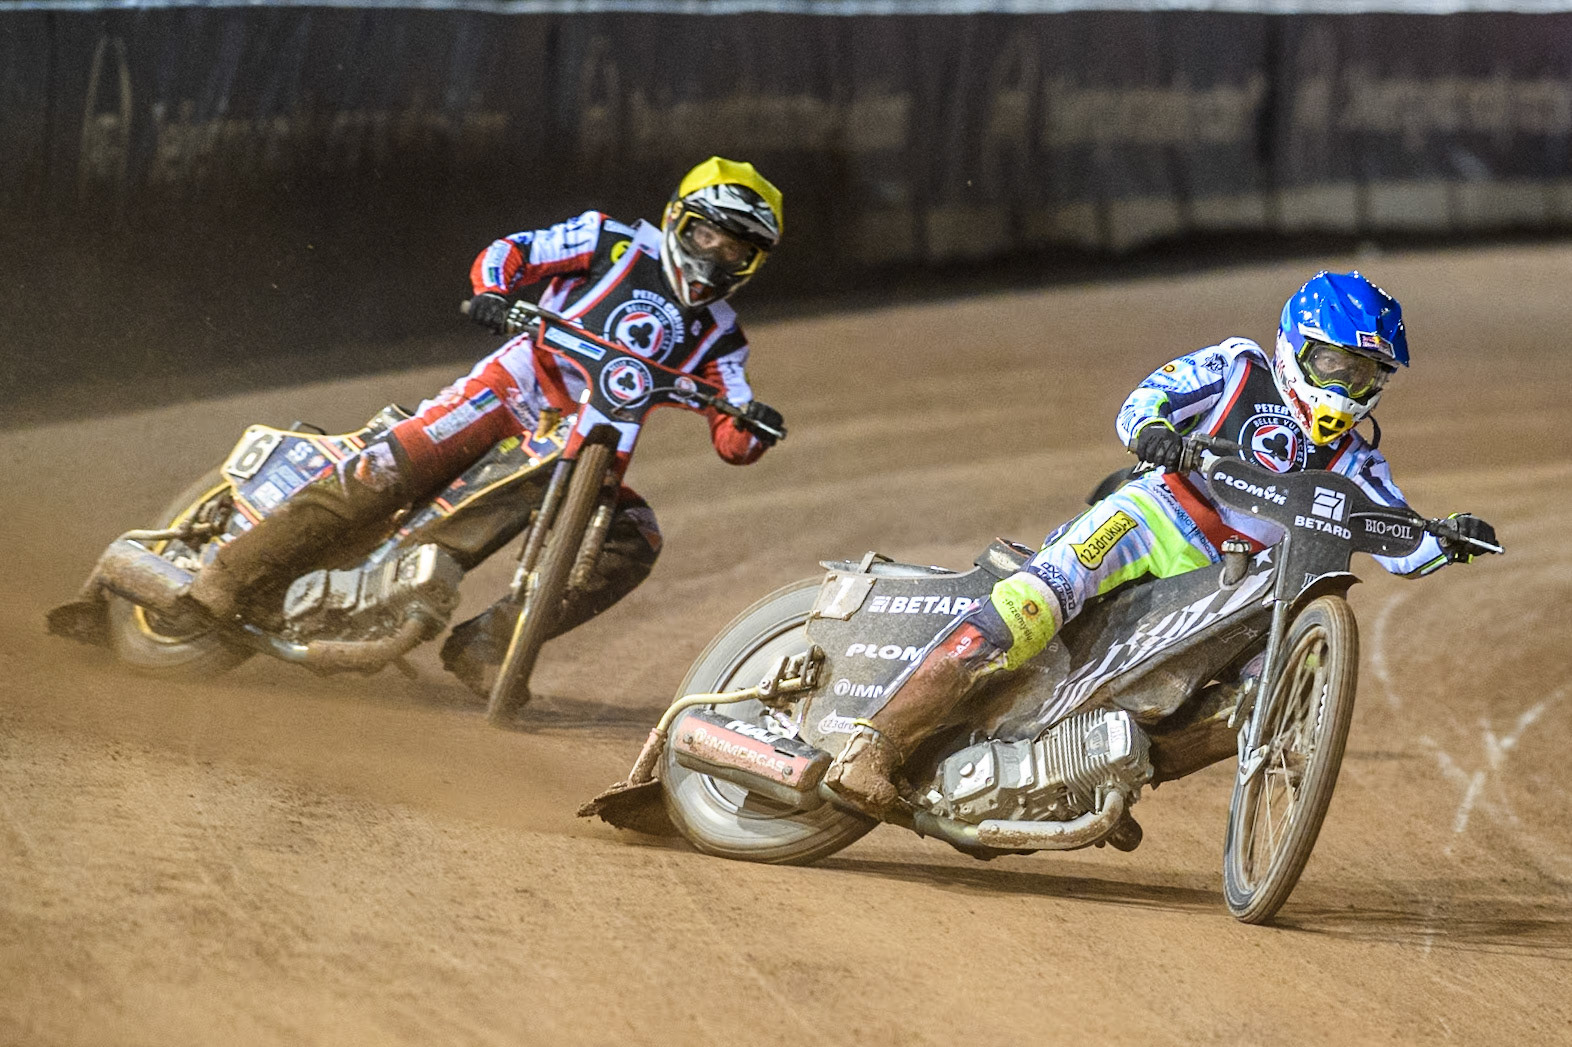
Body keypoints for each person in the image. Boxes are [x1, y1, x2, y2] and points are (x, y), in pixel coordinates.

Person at [824, 270, 1500, 817]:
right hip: (1156, 515)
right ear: (1297, 343)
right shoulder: (1240, 368)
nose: (1346, 389)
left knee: (1255, 699)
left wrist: (1449, 536)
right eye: (1334, 364)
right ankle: (870, 744)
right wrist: (1155, 430)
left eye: (1364, 376)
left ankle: (1099, 780)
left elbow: (1402, 544)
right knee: (1034, 602)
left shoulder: (1358, 462)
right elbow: (1146, 400)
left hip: (1238, 584)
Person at [187, 156, 787, 695]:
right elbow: (513, 250)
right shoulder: (612, 241)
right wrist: (493, 293)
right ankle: (228, 572)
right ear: (678, 221)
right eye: (707, 234)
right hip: (512, 389)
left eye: (735, 249)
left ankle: (487, 644)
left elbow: (734, 427)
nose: (715, 255)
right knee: (394, 466)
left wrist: (755, 427)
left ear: (752, 261)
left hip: (592, 442)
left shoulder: (722, 335)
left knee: (638, 538)